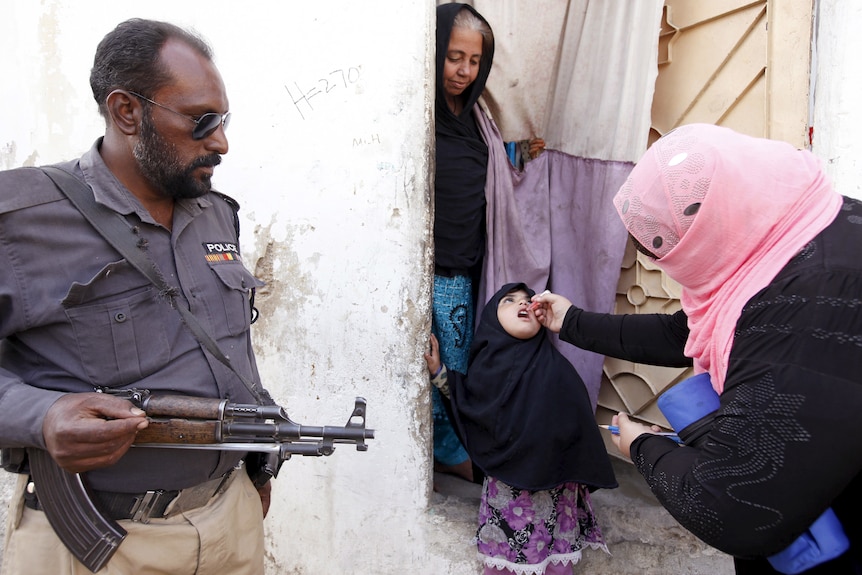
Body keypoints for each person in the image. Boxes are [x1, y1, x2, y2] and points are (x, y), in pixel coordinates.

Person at [0, 18, 272, 574]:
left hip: (230, 524)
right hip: (97, 543)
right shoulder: (21, 223)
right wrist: (42, 415)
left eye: (223, 121)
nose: (221, 141)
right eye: (202, 121)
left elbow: (229, 350)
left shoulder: (216, 213)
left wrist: (254, 472)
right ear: (127, 111)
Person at [532, 123, 862, 574]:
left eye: (671, 245)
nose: (662, 264)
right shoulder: (801, 230)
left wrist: (642, 447)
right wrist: (569, 322)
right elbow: (683, 332)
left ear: (717, 218)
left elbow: (735, 508)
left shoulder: (812, 300)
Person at [425, 283, 617, 575]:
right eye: (509, 300)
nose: (523, 304)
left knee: (555, 565)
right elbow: (471, 406)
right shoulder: (485, 369)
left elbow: (578, 427)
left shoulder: (557, 368)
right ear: (492, 317)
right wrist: (439, 373)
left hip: (554, 493)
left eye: (529, 300)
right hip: (508, 494)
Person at [431, 2, 546, 486]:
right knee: (445, 368)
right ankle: (450, 451)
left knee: (463, 364)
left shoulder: (477, 114)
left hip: (472, 261)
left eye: (475, 61)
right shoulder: (418, 110)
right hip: (437, 268)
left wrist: (516, 154)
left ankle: (458, 446)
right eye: (454, 56)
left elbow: (489, 167)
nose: (463, 71)